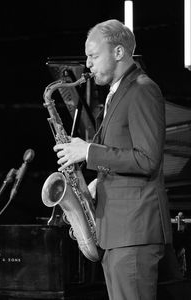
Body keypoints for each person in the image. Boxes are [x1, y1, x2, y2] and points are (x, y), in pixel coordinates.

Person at [54, 19, 173, 300]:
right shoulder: (118, 92)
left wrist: (88, 152)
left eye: (94, 56)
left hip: (133, 232)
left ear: (119, 53)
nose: (88, 64)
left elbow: (147, 160)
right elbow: (122, 151)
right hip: (119, 233)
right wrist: (97, 182)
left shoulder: (143, 90)